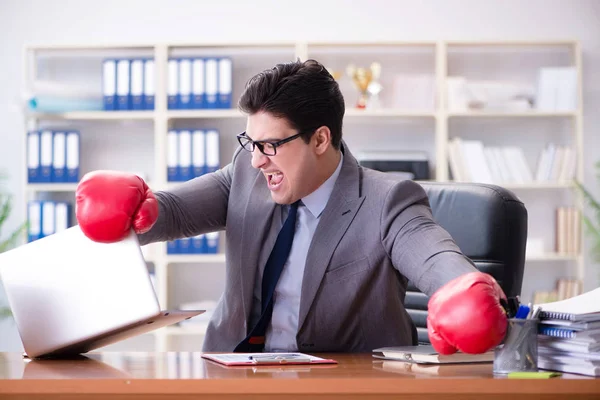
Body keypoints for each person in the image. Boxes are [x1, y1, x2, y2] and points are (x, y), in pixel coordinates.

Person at [75, 59, 508, 354]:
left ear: (320, 139)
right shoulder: (245, 176)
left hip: (342, 389)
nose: (256, 159)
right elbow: (173, 212)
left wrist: (462, 289)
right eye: (251, 142)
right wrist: (137, 210)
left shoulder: (387, 199)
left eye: (270, 145)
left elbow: (433, 255)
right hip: (232, 379)